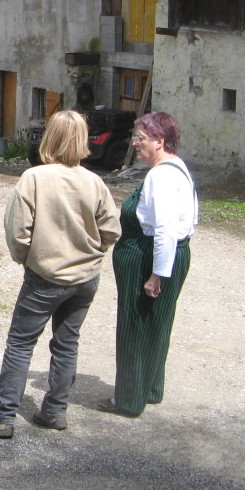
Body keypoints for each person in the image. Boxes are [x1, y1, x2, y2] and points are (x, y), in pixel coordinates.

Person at [0, 111, 120, 439]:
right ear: (82, 140)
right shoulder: (94, 182)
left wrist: (29, 259)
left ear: (50, 138)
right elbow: (112, 229)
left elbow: (17, 231)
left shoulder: (35, 178)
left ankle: (1, 417)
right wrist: (93, 255)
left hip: (45, 276)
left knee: (21, 343)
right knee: (67, 344)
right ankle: (54, 411)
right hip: (84, 279)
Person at [100, 111, 198, 417]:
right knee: (158, 321)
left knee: (134, 324)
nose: (135, 143)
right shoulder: (176, 167)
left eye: (140, 137)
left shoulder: (161, 176)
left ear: (160, 140)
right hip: (170, 254)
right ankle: (150, 388)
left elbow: (166, 228)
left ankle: (128, 399)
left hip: (149, 256)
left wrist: (156, 274)